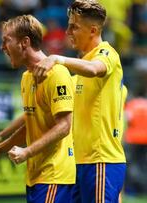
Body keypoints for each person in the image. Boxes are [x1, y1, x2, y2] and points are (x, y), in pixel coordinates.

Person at [33, 0, 126, 202]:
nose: (67, 32)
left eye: (74, 27)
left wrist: (58, 59)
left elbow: (95, 69)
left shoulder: (106, 53)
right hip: (78, 162)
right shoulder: (80, 69)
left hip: (101, 161)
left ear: (93, 30)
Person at [0, 15, 75, 203]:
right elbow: (31, 123)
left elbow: (64, 126)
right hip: (36, 177)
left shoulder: (57, 74)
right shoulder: (27, 77)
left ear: (24, 42)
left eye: (6, 41)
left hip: (55, 175)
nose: (2, 47)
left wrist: (26, 152)